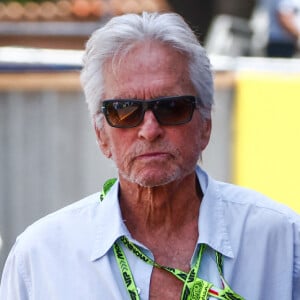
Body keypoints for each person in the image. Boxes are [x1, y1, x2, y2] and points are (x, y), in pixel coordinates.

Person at [1, 12, 300, 300]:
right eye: (124, 110)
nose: (149, 129)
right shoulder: (39, 259)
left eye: (172, 107)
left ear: (206, 125)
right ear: (101, 134)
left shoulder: (282, 242)